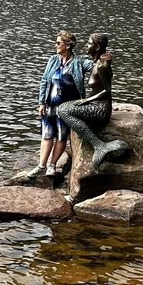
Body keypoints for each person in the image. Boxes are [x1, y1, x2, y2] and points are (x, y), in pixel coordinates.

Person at [57, 32, 128, 170]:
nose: (86, 46)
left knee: (63, 110)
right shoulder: (96, 63)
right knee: (63, 107)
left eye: (89, 43)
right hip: (93, 104)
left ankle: (99, 145)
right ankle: (99, 145)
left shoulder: (102, 66)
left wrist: (86, 100)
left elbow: (107, 91)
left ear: (97, 47)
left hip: (100, 109)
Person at [31, 30, 89, 177]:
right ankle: (41, 166)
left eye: (58, 43)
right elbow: (44, 81)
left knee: (62, 136)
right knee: (47, 134)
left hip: (67, 108)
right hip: (50, 104)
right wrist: (41, 102)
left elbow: (95, 64)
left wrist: (105, 58)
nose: (55, 45)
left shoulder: (79, 62)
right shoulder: (53, 60)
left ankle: (53, 165)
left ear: (68, 45)